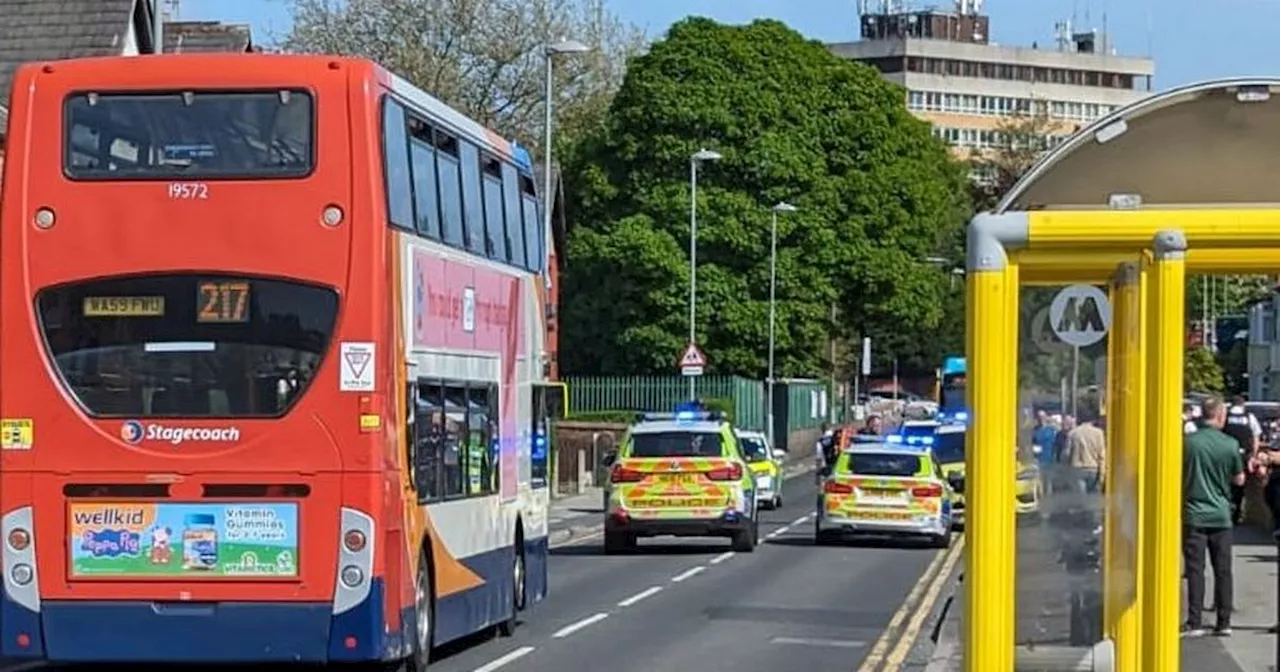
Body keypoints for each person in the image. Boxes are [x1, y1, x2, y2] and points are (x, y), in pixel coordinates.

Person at [1181, 396, 1246, 637]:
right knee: (1223, 570)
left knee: (1195, 569)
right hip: (1220, 515)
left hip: (1193, 514)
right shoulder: (1229, 444)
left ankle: (1195, 621)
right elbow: (1239, 479)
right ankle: (1223, 622)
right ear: (1220, 415)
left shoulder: (1188, 443)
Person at [1223, 395, 1262, 525]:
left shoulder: (1226, 416)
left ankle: (1226, 512)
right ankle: (1236, 514)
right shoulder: (1249, 417)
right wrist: (1253, 455)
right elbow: (1256, 437)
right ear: (1243, 404)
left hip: (1226, 455)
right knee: (1239, 485)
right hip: (1243, 455)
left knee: (1225, 485)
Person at [1065, 408, 1105, 494]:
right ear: (1092, 420)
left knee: (1080, 498)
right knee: (1092, 497)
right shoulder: (1099, 433)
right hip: (1093, 468)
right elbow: (1102, 454)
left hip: (1077, 468)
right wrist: (1102, 473)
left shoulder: (1072, 433)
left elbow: (1067, 453)